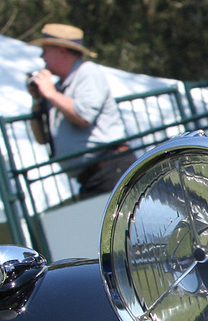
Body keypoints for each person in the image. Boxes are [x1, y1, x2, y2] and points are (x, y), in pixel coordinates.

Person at [28, 23, 133, 197]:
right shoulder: (58, 88)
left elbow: (83, 116)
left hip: (112, 170)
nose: (42, 57)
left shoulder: (87, 72)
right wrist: (37, 99)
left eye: (45, 50)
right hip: (91, 178)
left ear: (61, 51)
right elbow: (41, 138)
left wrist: (50, 93)